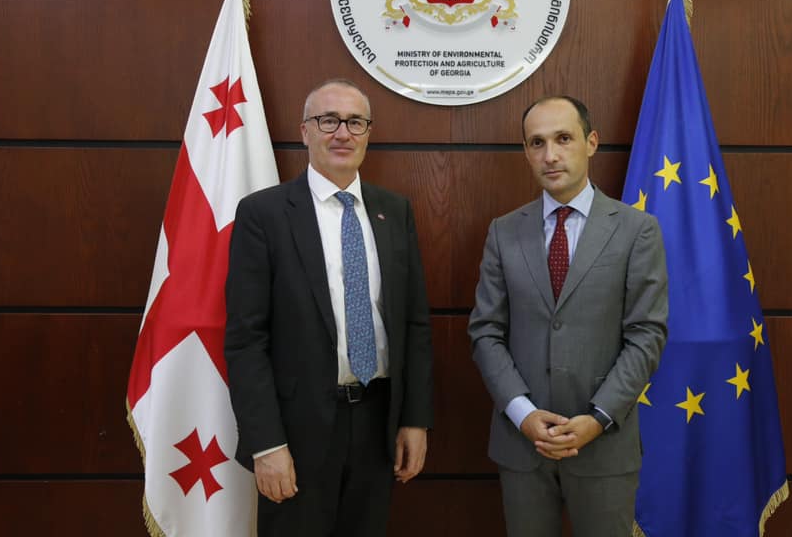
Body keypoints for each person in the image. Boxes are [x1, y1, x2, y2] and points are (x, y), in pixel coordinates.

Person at [225, 79, 434, 537]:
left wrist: (414, 419)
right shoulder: (264, 214)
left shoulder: (394, 211)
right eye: (328, 120)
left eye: (355, 122)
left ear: (368, 133)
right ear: (305, 131)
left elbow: (414, 324)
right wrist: (266, 444)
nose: (342, 133)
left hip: (378, 423)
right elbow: (246, 340)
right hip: (296, 432)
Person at [468, 96, 668, 536]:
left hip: (604, 444)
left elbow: (646, 335)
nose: (550, 155)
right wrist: (523, 413)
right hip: (522, 445)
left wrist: (598, 418)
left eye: (563, 139)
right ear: (526, 152)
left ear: (591, 142)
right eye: (537, 143)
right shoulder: (504, 231)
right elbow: (486, 332)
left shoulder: (637, 230)